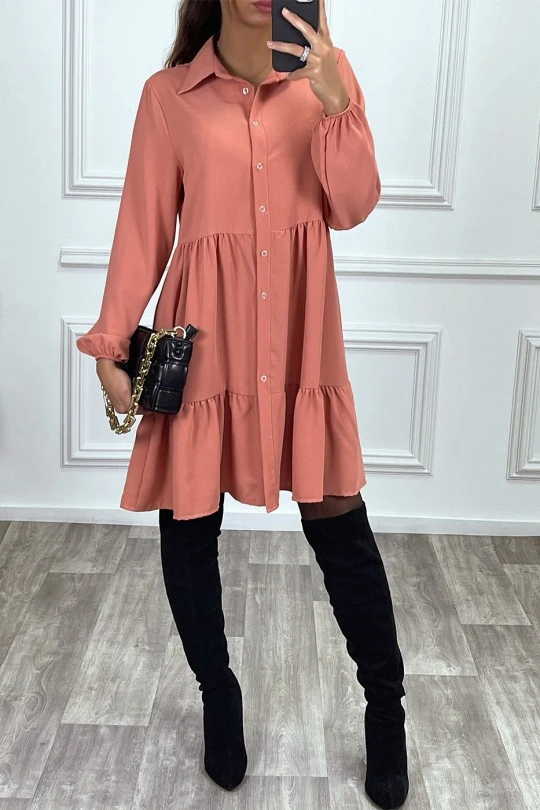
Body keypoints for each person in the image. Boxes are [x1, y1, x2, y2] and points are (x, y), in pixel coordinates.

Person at [76, 0, 408, 807]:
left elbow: (352, 206)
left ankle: (386, 707)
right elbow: (143, 227)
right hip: (205, 344)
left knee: (340, 523)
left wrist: (337, 101)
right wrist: (112, 339)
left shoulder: (328, 75)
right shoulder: (169, 97)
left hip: (300, 342)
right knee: (188, 525)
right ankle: (217, 696)